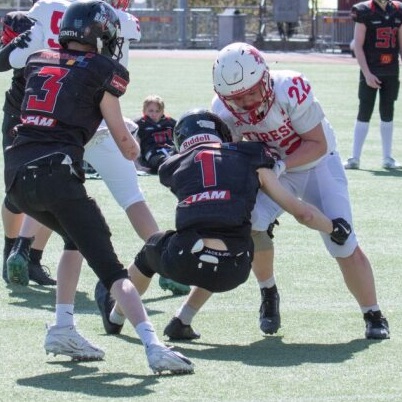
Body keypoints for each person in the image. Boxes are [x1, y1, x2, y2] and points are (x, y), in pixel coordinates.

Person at [2, 0, 194, 374]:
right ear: (100, 33)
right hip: (56, 173)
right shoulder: (104, 69)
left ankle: (62, 327)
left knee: (73, 240)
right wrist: (138, 150)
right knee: (113, 271)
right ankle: (154, 346)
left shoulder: (39, 59)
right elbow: (124, 142)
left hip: (16, 176)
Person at [163, 42, 390, 341]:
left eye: (251, 92)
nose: (246, 103)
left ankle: (373, 313)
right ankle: (264, 292)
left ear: (266, 78)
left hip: (317, 165)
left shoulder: (290, 88)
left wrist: (278, 166)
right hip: (272, 172)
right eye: (237, 98)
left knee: (343, 241)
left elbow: (317, 144)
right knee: (235, 229)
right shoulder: (222, 110)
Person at [95, 108, 353, 337]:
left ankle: (115, 316)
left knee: (154, 249)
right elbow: (302, 213)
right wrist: (335, 228)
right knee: (225, 238)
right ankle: (183, 320)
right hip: (235, 268)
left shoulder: (172, 166)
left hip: (185, 259)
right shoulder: (252, 157)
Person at [0, 4, 56, 286]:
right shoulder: (26, 22)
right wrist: (20, 43)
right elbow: (2, 61)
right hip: (21, 113)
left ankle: (32, 258)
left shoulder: (82, 18)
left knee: (57, 190)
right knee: (17, 190)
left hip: (59, 116)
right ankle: (11, 252)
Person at [344, 0, 402, 170]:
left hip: (391, 70)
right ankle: (355, 158)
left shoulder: (398, 10)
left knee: (388, 112)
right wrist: (367, 73)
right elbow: (358, 46)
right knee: (364, 111)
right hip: (371, 69)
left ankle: (387, 158)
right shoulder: (363, 10)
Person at [134, 94, 176, 175]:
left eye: (157, 111)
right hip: (153, 152)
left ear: (162, 111)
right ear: (144, 111)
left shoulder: (170, 122)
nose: (154, 114)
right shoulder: (139, 124)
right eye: (151, 111)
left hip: (171, 150)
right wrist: (137, 163)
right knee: (162, 161)